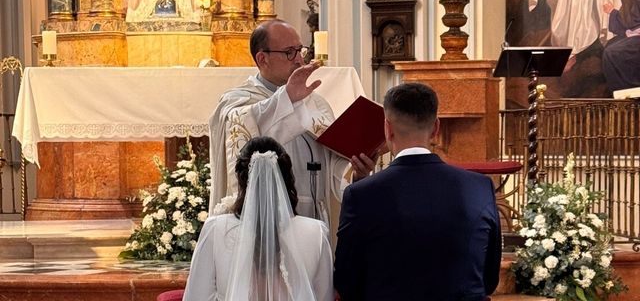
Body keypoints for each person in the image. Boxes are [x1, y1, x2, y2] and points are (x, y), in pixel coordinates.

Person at [334, 82, 502, 301]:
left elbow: (346, 283)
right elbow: (489, 279)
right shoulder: (479, 187)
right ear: (436, 128)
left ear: (388, 128)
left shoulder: (360, 194)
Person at [209, 19, 375, 224]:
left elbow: (334, 171)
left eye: (300, 50)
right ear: (262, 59)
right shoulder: (239, 101)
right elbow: (241, 132)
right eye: (289, 52)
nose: (299, 60)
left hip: (317, 219)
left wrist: (357, 174)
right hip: (270, 220)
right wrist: (287, 98)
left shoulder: (317, 103)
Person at [184, 137, 334, 301]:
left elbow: (196, 296)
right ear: (287, 178)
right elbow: (323, 297)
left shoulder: (215, 229)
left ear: (242, 180)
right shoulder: (316, 232)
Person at [602, 0, 640, 91]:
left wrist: (612, 12)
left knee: (611, 52)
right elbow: (625, 24)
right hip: (633, 37)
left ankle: (626, 89)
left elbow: (632, 21)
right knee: (610, 47)